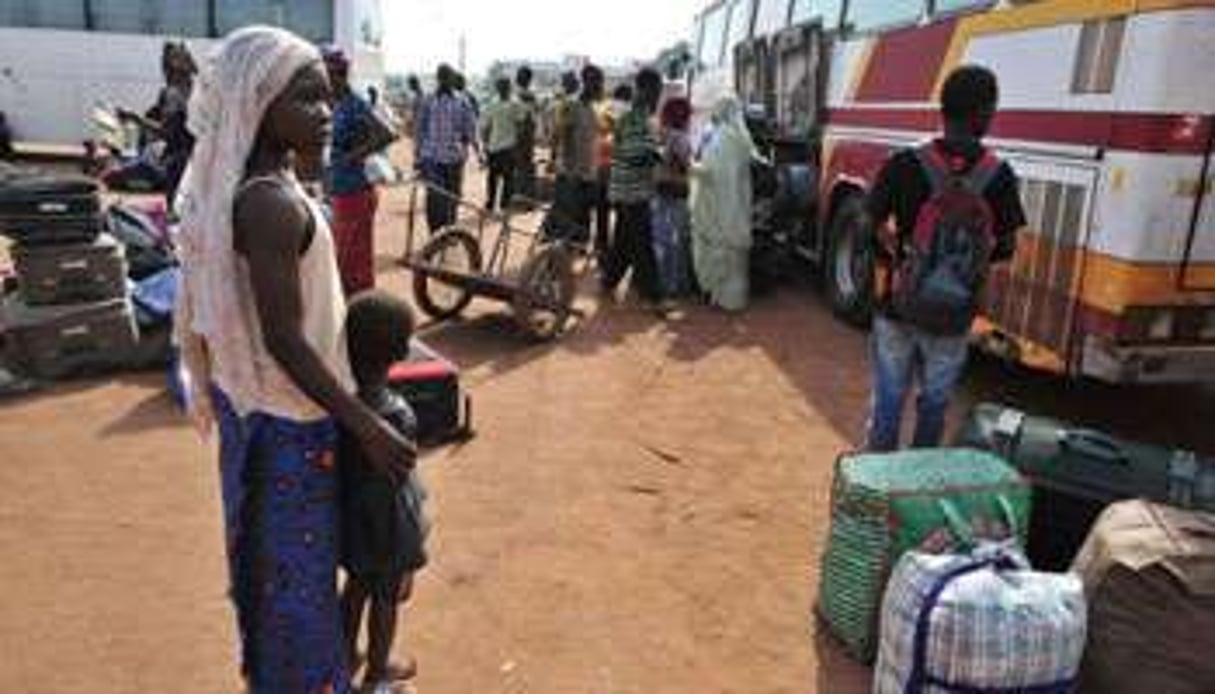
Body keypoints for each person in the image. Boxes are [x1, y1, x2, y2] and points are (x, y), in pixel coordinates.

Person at [173, 26, 415, 692]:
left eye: (326, 98)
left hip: (271, 412)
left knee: (282, 575)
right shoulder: (270, 204)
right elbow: (283, 336)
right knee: (293, 586)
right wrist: (364, 424)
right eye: (306, 99)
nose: (325, 113)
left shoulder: (269, 183)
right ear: (258, 103)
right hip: (288, 425)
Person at [864, 64, 1025, 451]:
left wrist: (894, 256)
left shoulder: (905, 161)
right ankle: (916, 483)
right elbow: (1005, 248)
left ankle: (876, 482)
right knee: (934, 404)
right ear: (985, 113)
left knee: (889, 397)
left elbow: (868, 221)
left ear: (943, 109)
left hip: (899, 305)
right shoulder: (999, 175)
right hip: (953, 315)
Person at [338, 290, 429, 692]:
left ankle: (343, 657)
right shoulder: (398, 415)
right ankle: (378, 673)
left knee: (355, 588)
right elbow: (402, 478)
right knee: (386, 599)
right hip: (389, 525)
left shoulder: (342, 407)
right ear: (400, 352)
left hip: (352, 520)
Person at [324, 46, 396, 295]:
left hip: (355, 189)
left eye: (325, 74)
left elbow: (387, 134)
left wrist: (350, 158)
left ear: (337, 74)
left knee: (352, 257)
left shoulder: (355, 104)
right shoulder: (335, 103)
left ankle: (361, 309)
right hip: (340, 188)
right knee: (343, 254)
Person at [690, 96, 760, 313]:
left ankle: (722, 298)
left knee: (720, 249)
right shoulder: (739, 137)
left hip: (720, 205)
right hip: (736, 203)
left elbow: (714, 173)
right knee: (734, 255)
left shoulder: (724, 138)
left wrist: (691, 167)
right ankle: (733, 299)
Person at [601, 68, 664, 307]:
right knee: (643, 244)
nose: (659, 97)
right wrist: (658, 156)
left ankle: (609, 280)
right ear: (648, 90)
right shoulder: (639, 117)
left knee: (624, 240)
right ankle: (654, 295)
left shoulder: (630, 114)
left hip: (622, 188)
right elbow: (637, 155)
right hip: (633, 191)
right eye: (657, 91)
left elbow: (622, 148)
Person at [116, 41, 197, 207]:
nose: (164, 71)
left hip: (183, 163)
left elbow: (165, 132)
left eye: (166, 66)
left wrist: (134, 118)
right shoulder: (180, 92)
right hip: (185, 160)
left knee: (178, 210)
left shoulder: (180, 95)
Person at [415, 64, 480, 232]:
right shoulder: (428, 100)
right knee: (434, 197)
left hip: (454, 158)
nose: (444, 80)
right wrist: (417, 157)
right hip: (431, 158)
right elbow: (420, 130)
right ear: (438, 78)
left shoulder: (462, 101)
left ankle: (450, 230)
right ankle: (435, 232)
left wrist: (479, 152)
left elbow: (471, 128)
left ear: (452, 79)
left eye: (448, 77)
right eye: (442, 76)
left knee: (453, 196)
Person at [547, 64, 604, 243]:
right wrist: (557, 161)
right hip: (571, 176)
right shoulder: (571, 105)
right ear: (587, 82)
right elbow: (559, 135)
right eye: (599, 83)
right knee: (564, 225)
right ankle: (551, 263)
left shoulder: (593, 110)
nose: (601, 88)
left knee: (580, 227)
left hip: (587, 175)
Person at [652, 97, 694, 307]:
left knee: (660, 237)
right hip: (677, 190)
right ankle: (675, 285)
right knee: (678, 239)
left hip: (659, 189)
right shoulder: (681, 138)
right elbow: (685, 166)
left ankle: (661, 282)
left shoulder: (660, 133)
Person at [480, 77, 525, 211]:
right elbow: (520, 126)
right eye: (502, 86)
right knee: (500, 178)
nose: (503, 88)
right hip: (501, 148)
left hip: (503, 148)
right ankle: (498, 203)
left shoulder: (513, 104)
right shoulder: (510, 104)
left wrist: (486, 144)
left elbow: (486, 128)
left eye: (504, 86)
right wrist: (486, 144)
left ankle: (496, 203)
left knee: (501, 178)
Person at [513, 65, 539, 201]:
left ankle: (523, 196)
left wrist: (520, 135)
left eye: (519, 75)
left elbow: (526, 118)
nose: (517, 78)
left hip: (523, 134)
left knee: (522, 166)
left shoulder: (524, 95)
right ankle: (524, 195)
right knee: (524, 166)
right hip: (527, 134)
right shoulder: (529, 95)